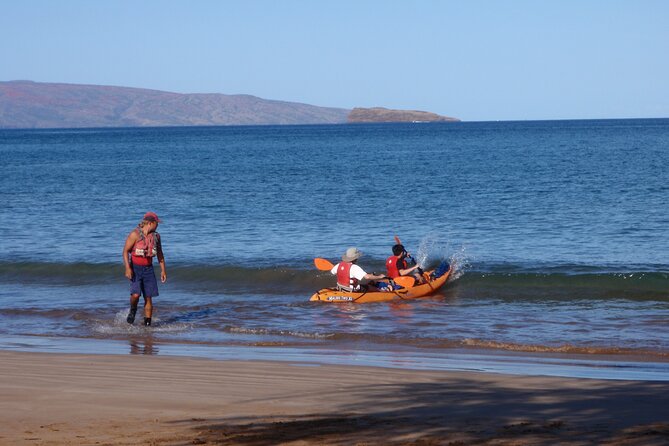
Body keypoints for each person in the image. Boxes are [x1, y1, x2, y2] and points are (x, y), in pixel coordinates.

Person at [122, 212, 166, 326]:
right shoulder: (135, 234)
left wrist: (163, 270)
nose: (158, 225)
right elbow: (125, 251)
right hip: (135, 268)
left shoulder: (156, 237)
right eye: (157, 223)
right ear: (151, 223)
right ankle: (133, 309)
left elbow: (160, 254)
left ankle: (147, 324)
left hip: (148, 269)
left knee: (148, 297)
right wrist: (127, 268)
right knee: (135, 295)